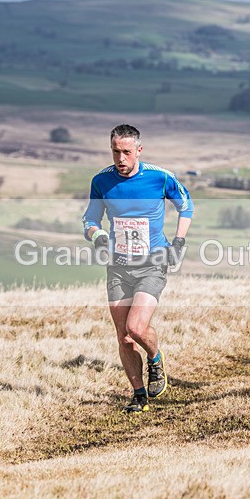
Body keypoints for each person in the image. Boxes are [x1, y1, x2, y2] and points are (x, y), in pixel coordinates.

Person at [82, 124, 193, 413]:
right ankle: (138, 395)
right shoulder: (101, 181)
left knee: (136, 326)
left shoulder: (160, 177)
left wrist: (179, 241)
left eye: (126, 152)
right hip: (118, 266)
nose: (120, 158)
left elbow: (186, 206)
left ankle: (155, 359)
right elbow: (90, 220)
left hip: (152, 263)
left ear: (139, 151)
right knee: (124, 335)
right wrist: (98, 235)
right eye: (115, 152)